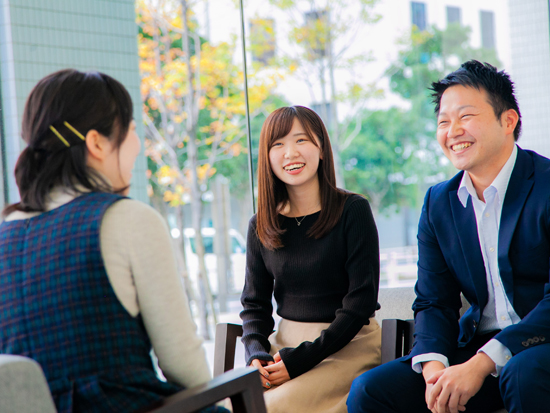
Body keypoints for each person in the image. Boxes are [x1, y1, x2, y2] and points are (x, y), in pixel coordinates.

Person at [0, 69, 224, 413]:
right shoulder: (127, 220)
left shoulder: (5, 235)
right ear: (96, 143)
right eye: (132, 130)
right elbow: (186, 369)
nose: (137, 144)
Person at [348, 60, 550, 413]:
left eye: (466, 116)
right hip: (475, 348)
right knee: (370, 391)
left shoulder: (546, 185)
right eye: (443, 121)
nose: (452, 130)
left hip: (539, 348)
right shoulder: (439, 202)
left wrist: (483, 363)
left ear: (508, 121)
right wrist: (434, 367)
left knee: (521, 372)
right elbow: (433, 300)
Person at [240, 105, 381, 413]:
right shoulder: (260, 224)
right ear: (267, 157)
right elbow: (254, 305)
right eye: (278, 144)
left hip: (345, 345)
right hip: (283, 348)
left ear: (320, 148)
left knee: (271, 408)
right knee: (232, 405)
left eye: (301, 140)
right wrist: (255, 354)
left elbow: (360, 303)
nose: (290, 152)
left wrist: (300, 360)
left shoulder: (352, 211)